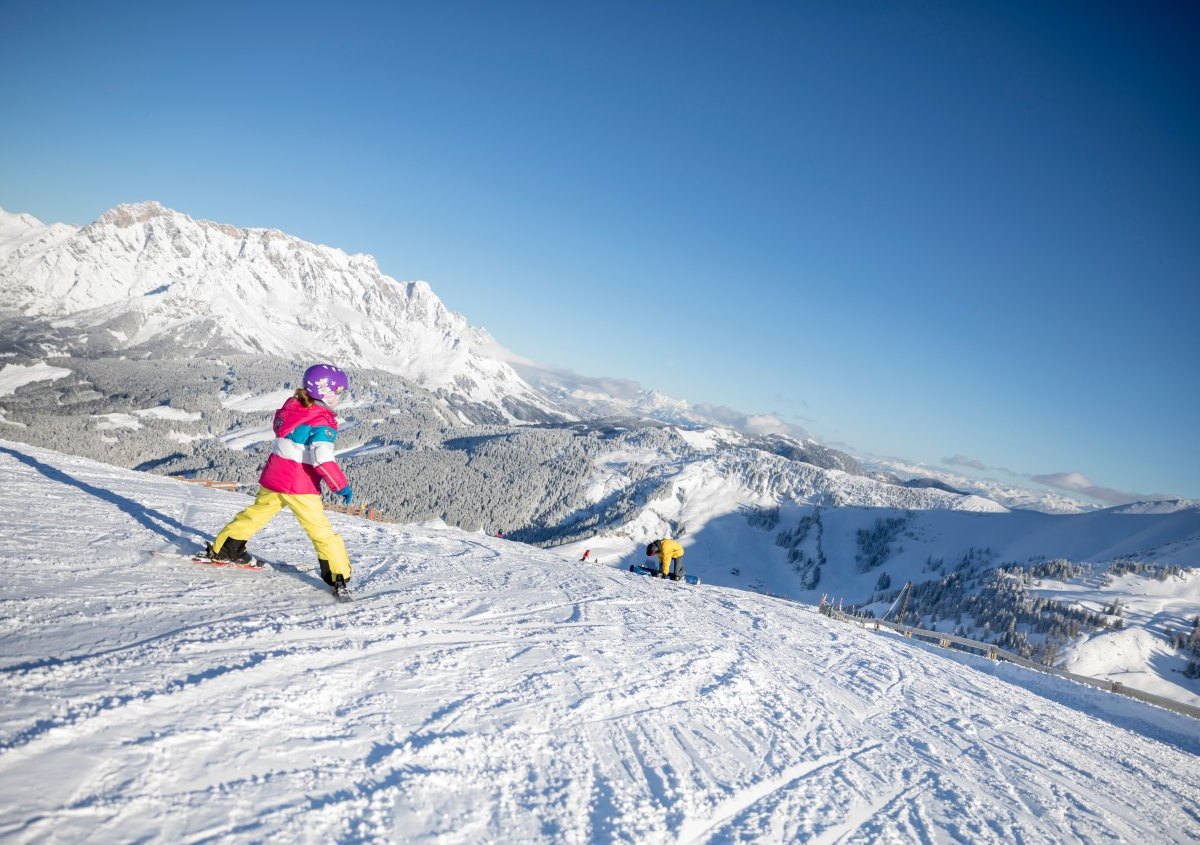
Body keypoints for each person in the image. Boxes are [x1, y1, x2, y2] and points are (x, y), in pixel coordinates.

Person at [206, 363, 355, 592]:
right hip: (299, 486)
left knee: (255, 514)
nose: (340, 397)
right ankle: (338, 575)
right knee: (320, 531)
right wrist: (340, 486)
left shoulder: (293, 408)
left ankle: (225, 549)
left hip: (275, 478)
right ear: (325, 392)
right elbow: (322, 459)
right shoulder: (321, 421)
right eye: (338, 392)